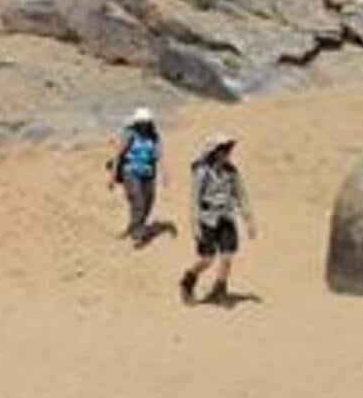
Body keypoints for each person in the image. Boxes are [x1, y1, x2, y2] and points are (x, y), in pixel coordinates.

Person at [180, 134, 255, 305]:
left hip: (226, 217)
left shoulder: (232, 171)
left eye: (229, 148)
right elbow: (194, 200)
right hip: (207, 220)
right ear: (215, 152)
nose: (229, 152)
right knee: (207, 259)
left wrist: (249, 220)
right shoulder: (202, 173)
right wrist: (194, 226)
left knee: (227, 257)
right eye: (225, 149)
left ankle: (219, 290)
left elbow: (241, 195)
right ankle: (187, 282)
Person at [108, 107, 163, 246]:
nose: (143, 125)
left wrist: (164, 173)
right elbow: (118, 154)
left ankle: (135, 226)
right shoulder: (130, 134)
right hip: (131, 172)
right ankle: (137, 233)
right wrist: (113, 175)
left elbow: (158, 156)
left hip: (147, 173)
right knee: (138, 200)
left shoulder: (154, 136)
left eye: (146, 122)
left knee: (148, 201)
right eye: (141, 122)